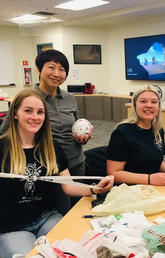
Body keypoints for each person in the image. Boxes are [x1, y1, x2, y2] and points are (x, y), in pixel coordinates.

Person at [0, 89, 114, 257]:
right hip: (13, 227)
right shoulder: (2, 148)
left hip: (46, 218)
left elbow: (68, 186)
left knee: (76, 250)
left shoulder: (51, 146)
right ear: (15, 113)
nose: (35, 117)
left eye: (40, 112)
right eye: (28, 111)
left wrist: (95, 189)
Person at [0, 49, 90, 206]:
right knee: (59, 211)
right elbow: (5, 133)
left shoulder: (70, 98)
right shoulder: (28, 99)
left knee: (80, 207)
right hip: (49, 166)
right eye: (51, 67)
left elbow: (75, 126)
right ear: (38, 69)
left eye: (62, 70)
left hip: (76, 162)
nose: (57, 73)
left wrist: (82, 137)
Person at [107, 85, 165, 186]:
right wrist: (149, 179)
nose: (149, 105)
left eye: (154, 102)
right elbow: (113, 173)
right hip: (130, 190)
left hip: (152, 188)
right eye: (143, 101)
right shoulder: (122, 133)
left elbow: (155, 160)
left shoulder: (158, 131)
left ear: (158, 106)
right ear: (134, 105)